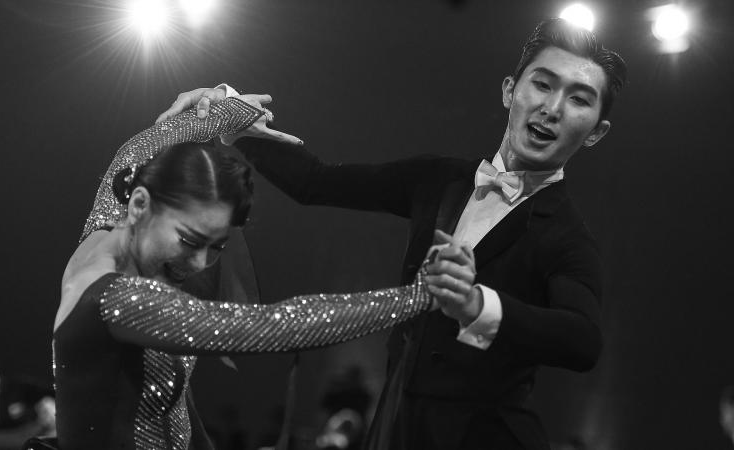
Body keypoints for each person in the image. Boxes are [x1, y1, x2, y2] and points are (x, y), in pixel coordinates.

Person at [160, 17, 627, 450]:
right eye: (542, 84)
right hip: (394, 426)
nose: (552, 108)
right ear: (510, 90)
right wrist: (228, 113)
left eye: (579, 98)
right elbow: (316, 181)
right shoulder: (439, 179)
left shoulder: (568, 237)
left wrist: (476, 304)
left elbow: (582, 339)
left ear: (596, 133)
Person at [54, 94, 436, 450]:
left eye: (217, 246)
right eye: (189, 241)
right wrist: (418, 296)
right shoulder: (117, 299)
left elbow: (142, 145)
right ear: (140, 204)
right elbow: (273, 325)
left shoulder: (116, 211)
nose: (201, 263)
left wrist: (228, 105)